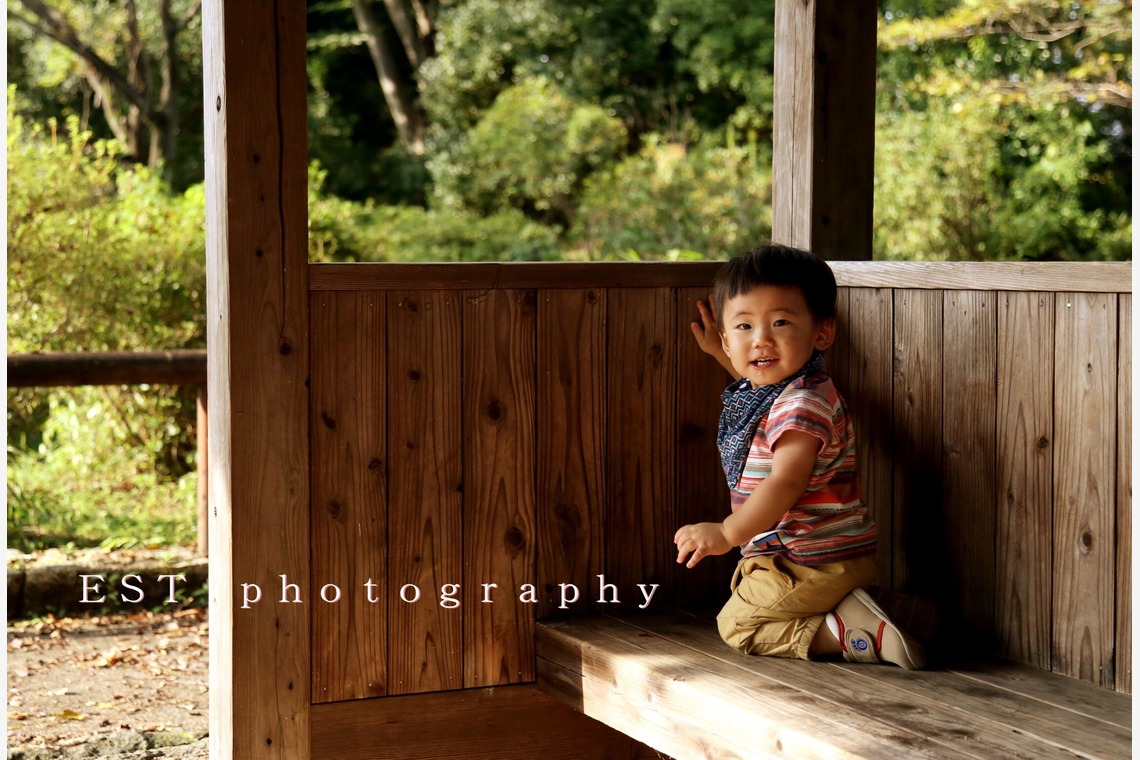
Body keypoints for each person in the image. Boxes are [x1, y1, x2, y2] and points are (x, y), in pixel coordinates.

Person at [674, 243, 925, 669]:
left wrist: (728, 532)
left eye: (781, 322)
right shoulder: (793, 389)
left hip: (812, 560)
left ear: (822, 333)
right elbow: (761, 383)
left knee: (738, 625)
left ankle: (858, 634)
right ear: (726, 337)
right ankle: (875, 609)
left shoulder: (802, 405)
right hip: (812, 556)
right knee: (747, 585)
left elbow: (785, 482)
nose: (761, 340)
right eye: (744, 327)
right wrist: (722, 353)